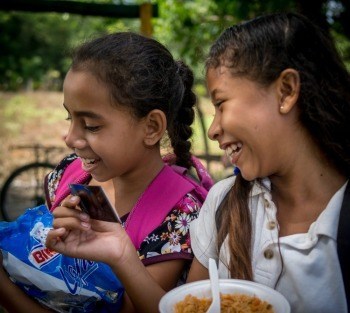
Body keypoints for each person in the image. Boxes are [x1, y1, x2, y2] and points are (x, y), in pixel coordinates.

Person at [0, 31, 213, 313]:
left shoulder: (177, 215)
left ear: (151, 127)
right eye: (70, 117)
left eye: (91, 126)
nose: (70, 138)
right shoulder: (71, 175)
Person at [186, 12, 350, 313]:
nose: (213, 129)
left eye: (220, 104)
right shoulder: (224, 202)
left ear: (286, 91)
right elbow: (188, 303)